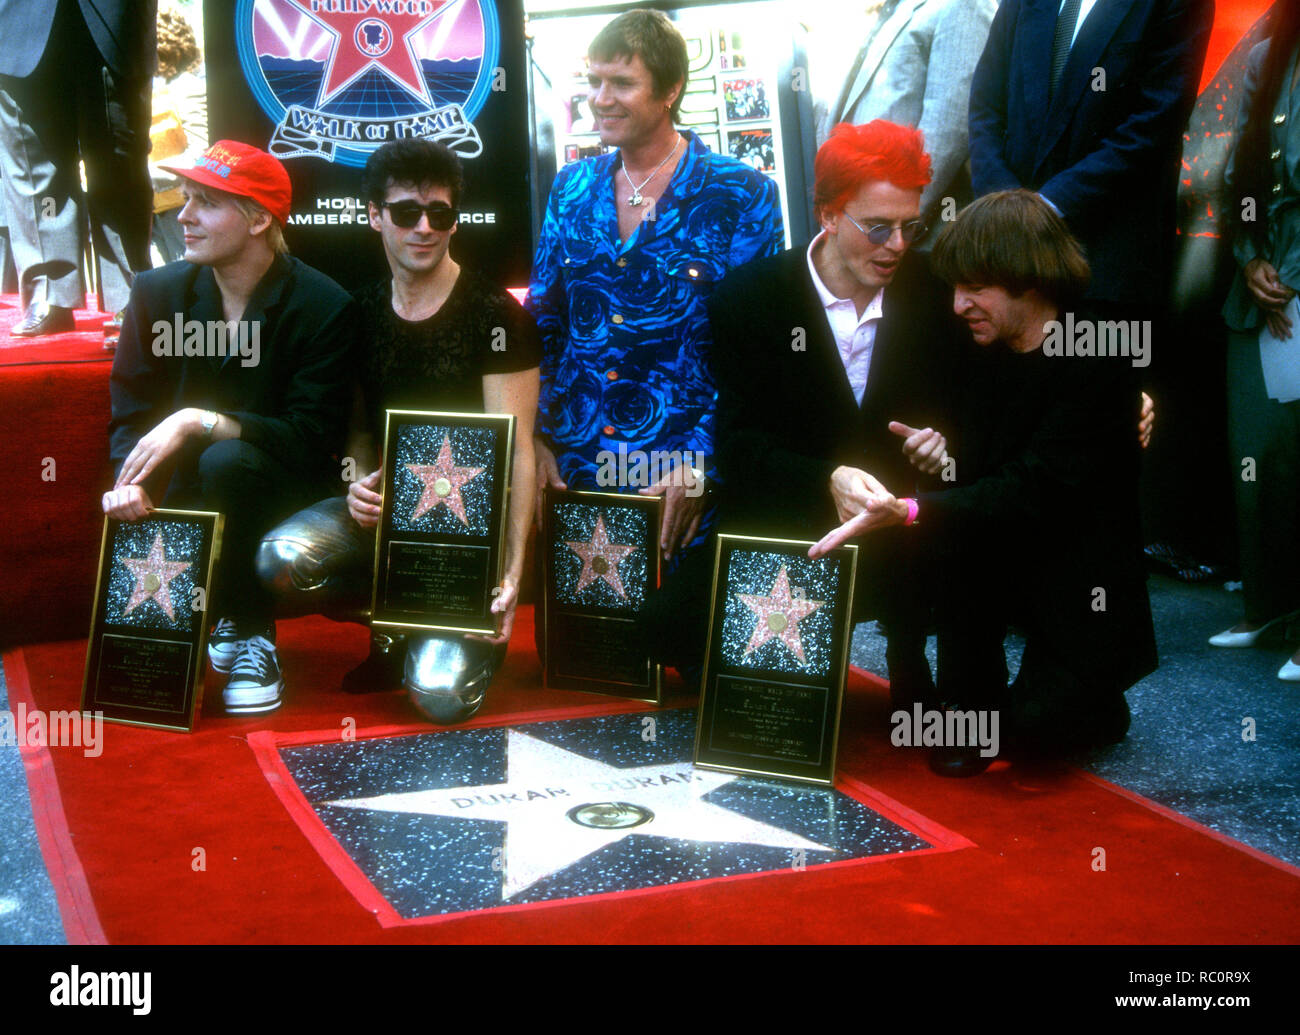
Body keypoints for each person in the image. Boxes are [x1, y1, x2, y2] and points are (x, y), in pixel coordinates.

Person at [811, 190, 1157, 775]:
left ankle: (1096, 701)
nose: (957, 304)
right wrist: (939, 449)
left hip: (1077, 577)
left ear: (1028, 278)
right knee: (967, 737)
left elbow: (1033, 486)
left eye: (974, 288)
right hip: (991, 559)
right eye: (954, 287)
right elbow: (966, 452)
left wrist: (916, 510)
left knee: (1033, 736)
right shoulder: (978, 348)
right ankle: (965, 693)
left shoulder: (1098, 350)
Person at [666, 120, 965, 699]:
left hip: (907, 514)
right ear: (828, 215)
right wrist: (826, 478)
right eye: (878, 228)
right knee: (665, 635)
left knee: (965, 520)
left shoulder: (936, 289)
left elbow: (1002, 368)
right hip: (793, 509)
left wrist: (944, 441)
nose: (898, 246)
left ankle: (913, 650)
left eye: (911, 226)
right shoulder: (751, 297)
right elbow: (740, 444)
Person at [257, 138, 540, 722]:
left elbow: (519, 454)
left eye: (441, 214)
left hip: (472, 539)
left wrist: (512, 571)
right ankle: (396, 626)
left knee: (437, 698)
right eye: (407, 212)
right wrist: (356, 485)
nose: (425, 228)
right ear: (374, 216)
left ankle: (461, 637)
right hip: (389, 520)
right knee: (280, 559)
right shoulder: (357, 312)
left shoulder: (497, 317)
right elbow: (359, 430)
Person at [104, 140, 357, 715]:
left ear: (259, 219)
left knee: (228, 461)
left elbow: (312, 438)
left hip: (283, 487)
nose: (184, 216)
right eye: (186, 199)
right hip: (182, 489)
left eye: (205, 203)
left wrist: (201, 421)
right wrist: (128, 482)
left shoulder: (323, 305)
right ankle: (207, 620)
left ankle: (250, 630)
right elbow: (131, 411)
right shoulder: (156, 292)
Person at [526, 8, 783, 572]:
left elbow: (757, 351)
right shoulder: (571, 188)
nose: (600, 98)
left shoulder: (743, 194)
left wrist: (704, 464)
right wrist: (534, 442)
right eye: (593, 81)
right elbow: (541, 322)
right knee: (577, 654)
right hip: (575, 463)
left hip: (679, 472)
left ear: (670, 89)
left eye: (622, 82)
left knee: (680, 646)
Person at [967, 0, 1213, 310]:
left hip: (1101, 267)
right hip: (1005, 261)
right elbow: (984, 105)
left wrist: (1048, 206)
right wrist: (1005, 206)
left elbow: (1156, 121)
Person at [1209, 4, 1300, 680]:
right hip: (1262, 278)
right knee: (1259, 456)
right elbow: (1240, 175)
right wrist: (1248, 258)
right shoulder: (1271, 49)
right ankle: (1270, 605)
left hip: (1292, 279)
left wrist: (1291, 276)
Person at [0, 0, 156, 335]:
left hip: (111, 14)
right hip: (17, 19)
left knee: (117, 159)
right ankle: (49, 291)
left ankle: (129, 292)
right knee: (35, 169)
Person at [816, 0, 997, 238]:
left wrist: (892, 226)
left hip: (910, 236)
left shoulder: (964, 5)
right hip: (859, 227)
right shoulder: (888, 9)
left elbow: (950, 129)